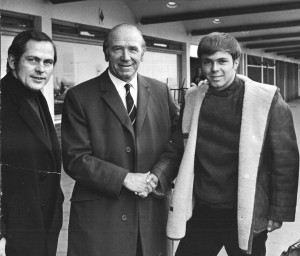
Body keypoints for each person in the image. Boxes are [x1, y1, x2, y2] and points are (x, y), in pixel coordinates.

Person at [167, 32, 299, 256]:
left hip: (246, 211)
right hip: (204, 209)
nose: (214, 69)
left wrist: (279, 211)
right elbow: (180, 146)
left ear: (235, 62)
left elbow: (285, 160)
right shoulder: (193, 98)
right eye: (207, 62)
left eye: (222, 61)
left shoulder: (266, 99)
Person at [61, 23, 183, 256]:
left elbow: (177, 143)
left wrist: (157, 176)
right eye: (117, 49)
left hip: (151, 216)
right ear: (105, 51)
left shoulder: (160, 91)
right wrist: (124, 178)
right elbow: (74, 158)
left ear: (143, 52)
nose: (126, 57)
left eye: (133, 49)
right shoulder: (79, 97)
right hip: (102, 220)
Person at [0, 30, 64, 256]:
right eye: (32, 60)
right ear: (12, 61)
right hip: (12, 237)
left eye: (48, 62)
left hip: (42, 228)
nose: (41, 69)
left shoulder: (37, 98)